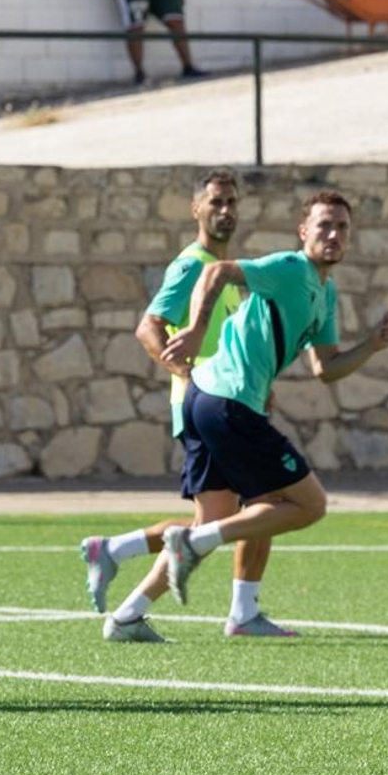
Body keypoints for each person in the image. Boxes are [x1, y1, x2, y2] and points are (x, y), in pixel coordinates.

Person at [138, 191, 388, 615]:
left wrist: (371, 345)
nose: (333, 234)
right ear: (303, 232)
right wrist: (198, 329)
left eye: (342, 227)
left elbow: (326, 368)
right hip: (225, 401)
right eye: (324, 225)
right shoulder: (291, 269)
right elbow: (218, 272)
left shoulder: (325, 292)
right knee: (307, 504)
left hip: (214, 399)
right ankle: (213, 574)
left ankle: (131, 610)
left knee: (249, 509)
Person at [84, 170, 288, 641]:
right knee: (267, 501)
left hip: (232, 407)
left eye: (232, 202)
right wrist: (190, 376)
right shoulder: (192, 265)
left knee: (219, 520)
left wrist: (255, 383)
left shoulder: (228, 274)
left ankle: (118, 566)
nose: (225, 210)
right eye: (215, 202)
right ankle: (240, 612)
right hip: (210, 411)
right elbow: (149, 327)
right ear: (196, 209)